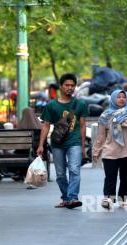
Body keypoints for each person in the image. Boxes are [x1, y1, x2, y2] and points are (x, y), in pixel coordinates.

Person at [37, 73, 88, 209]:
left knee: (74, 169)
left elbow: (83, 126)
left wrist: (83, 146)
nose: (70, 88)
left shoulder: (80, 104)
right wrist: (41, 145)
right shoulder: (52, 105)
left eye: (72, 85)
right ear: (60, 86)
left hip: (75, 142)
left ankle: (72, 197)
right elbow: (46, 125)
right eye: (67, 85)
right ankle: (66, 198)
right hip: (58, 143)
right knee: (60, 174)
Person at [92, 89, 127, 209]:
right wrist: (96, 150)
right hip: (110, 150)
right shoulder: (105, 116)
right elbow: (101, 135)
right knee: (110, 175)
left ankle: (123, 199)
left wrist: (116, 118)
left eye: (123, 97)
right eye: (118, 97)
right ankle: (108, 198)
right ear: (113, 99)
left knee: (126, 176)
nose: (121, 99)